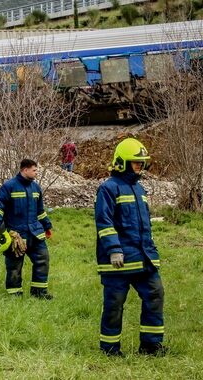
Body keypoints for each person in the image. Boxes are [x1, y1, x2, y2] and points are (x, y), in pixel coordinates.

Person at [94, 138, 166, 357]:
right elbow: (104, 222)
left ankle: (151, 346)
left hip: (143, 258)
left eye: (142, 162)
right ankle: (110, 349)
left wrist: (151, 251)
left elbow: (144, 227)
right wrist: (114, 249)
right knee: (114, 305)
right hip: (118, 261)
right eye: (135, 162)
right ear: (122, 162)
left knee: (155, 295)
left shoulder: (140, 189)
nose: (139, 166)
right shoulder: (108, 188)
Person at [0, 159, 53, 299]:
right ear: (25, 170)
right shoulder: (9, 186)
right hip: (16, 235)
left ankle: (39, 293)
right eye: (34, 170)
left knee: (43, 259)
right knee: (14, 266)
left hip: (35, 233)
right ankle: (15, 295)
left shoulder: (36, 188)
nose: (36, 173)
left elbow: (40, 211)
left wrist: (47, 226)